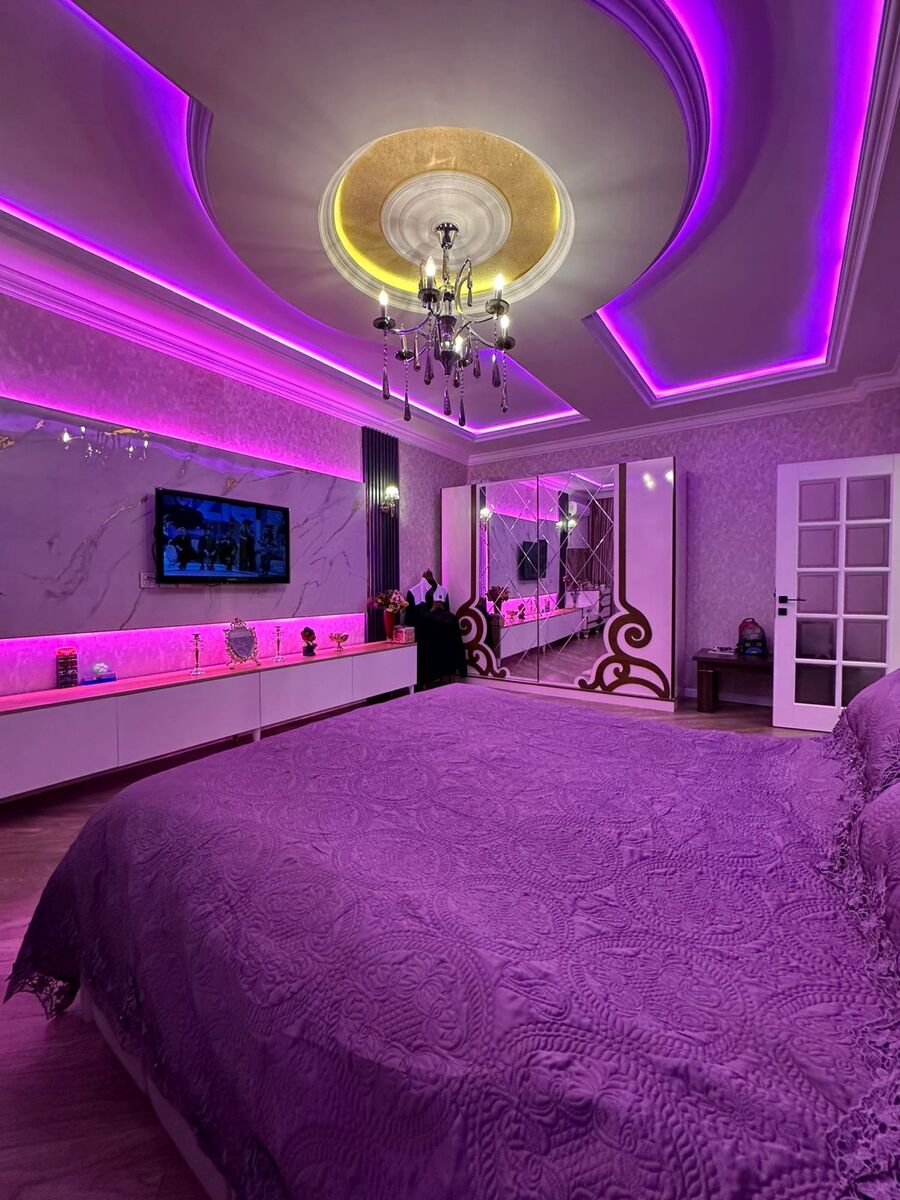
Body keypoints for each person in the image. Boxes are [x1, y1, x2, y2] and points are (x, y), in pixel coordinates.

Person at [417, 585, 466, 686]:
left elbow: (422, 642)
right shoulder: (451, 618)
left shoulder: (426, 618)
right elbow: (458, 641)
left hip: (431, 660)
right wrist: (462, 668)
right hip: (448, 660)